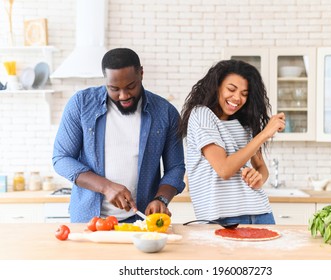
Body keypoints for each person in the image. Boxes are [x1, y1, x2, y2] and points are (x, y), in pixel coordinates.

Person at [52, 48, 186, 223]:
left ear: (141, 74)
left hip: (140, 221)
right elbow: (61, 159)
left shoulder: (165, 112)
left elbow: (175, 168)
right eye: (114, 89)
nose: (124, 96)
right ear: (105, 80)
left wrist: (161, 199)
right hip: (90, 220)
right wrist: (106, 187)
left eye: (131, 87)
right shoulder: (81, 104)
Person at [179, 59, 285, 225]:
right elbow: (224, 169)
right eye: (231, 89)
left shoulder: (245, 124)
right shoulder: (202, 115)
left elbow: (261, 167)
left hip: (261, 213)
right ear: (217, 86)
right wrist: (265, 133)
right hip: (222, 218)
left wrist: (259, 178)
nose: (237, 98)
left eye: (244, 94)